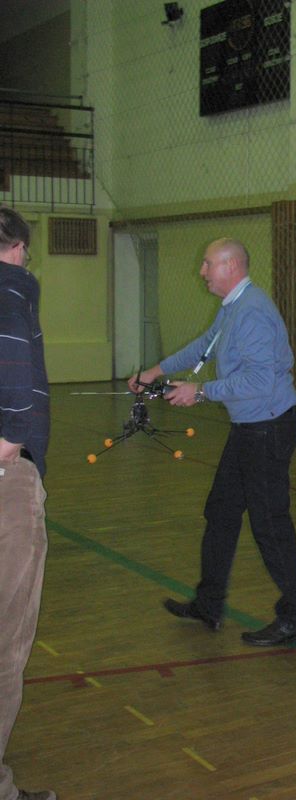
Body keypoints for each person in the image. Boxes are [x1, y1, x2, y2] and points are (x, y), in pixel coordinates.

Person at [129, 238, 296, 646]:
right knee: (222, 511)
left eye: (207, 264)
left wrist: (200, 392)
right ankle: (208, 604)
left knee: (270, 523)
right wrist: (155, 372)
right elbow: (204, 346)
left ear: (230, 267)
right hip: (249, 428)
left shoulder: (253, 312)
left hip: (268, 428)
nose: (202, 272)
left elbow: (259, 380)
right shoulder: (232, 308)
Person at [0, 206, 56, 800]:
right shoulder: (11, 291)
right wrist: (9, 445)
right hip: (7, 480)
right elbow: (17, 395)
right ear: (15, 247)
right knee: (6, 642)